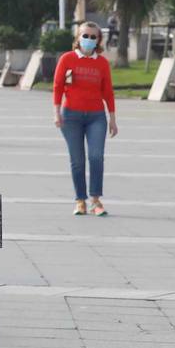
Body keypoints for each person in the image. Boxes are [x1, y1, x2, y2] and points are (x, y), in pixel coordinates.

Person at [53, 22, 119, 216]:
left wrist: (113, 119)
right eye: (85, 35)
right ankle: (80, 200)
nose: (88, 40)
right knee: (77, 160)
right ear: (78, 37)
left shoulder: (102, 63)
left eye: (93, 37)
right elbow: (58, 87)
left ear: (98, 40)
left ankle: (96, 200)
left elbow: (108, 92)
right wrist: (56, 112)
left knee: (96, 157)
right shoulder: (67, 59)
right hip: (70, 117)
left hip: (96, 117)